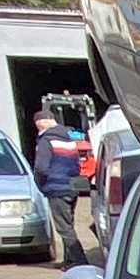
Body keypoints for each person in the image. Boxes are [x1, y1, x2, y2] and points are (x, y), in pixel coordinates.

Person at [32, 105, 95, 265]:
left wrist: (41, 184)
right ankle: (69, 261)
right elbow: (76, 165)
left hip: (56, 188)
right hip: (71, 187)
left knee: (64, 228)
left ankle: (80, 261)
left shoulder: (46, 140)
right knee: (69, 224)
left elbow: (41, 167)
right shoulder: (69, 138)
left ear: (40, 123)